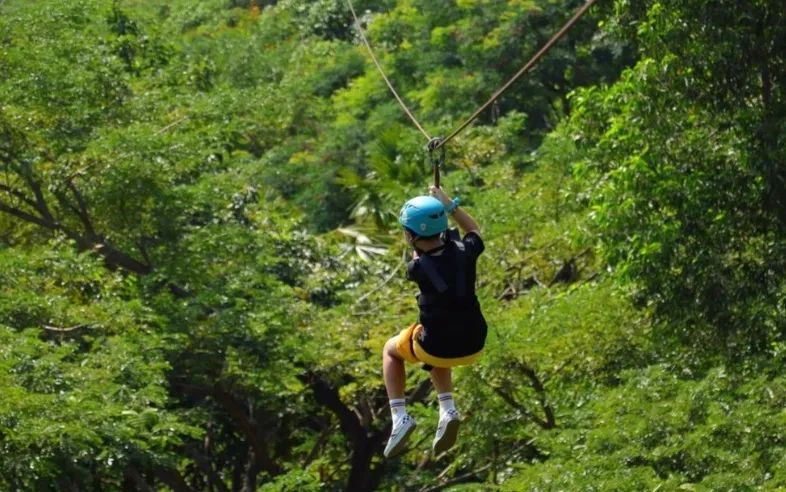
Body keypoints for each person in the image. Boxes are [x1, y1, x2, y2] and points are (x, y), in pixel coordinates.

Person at [382, 185, 487, 458]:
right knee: (432, 336)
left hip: (438, 345)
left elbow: (424, 256)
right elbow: (474, 230)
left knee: (392, 349)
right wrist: (448, 203)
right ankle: (447, 409)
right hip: (475, 341)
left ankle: (400, 416)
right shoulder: (467, 250)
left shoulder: (416, 269)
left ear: (410, 235)